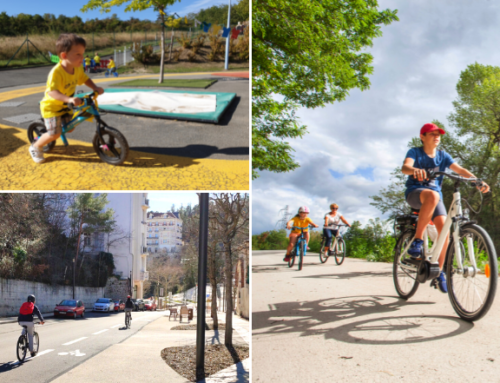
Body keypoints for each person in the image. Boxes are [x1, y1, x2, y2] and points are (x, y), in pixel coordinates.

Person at [402, 123, 490, 293]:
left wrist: (477, 180)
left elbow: (460, 169)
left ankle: (440, 272)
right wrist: (414, 170)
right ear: (422, 136)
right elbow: (405, 167)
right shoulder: (415, 152)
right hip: (416, 193)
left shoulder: (443, 156)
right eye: (432, 134)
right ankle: (418, 240)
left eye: (439, 134)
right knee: (433, 195)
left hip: (435, 198)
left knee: (445, 232)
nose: (437, 136)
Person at [29, 33, 104, 164]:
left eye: (83, 53)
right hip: (52, 107)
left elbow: (85, 79)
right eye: (78, 54)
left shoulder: (77, 68)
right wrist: (69, 99)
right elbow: (52, 92)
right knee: (54, 134)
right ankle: (35, 147)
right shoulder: (56, 73)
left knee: (70, 127)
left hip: (65, 106)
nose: (82, 58)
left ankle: (54, 130)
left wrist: (95, 88)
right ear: (64, 56)